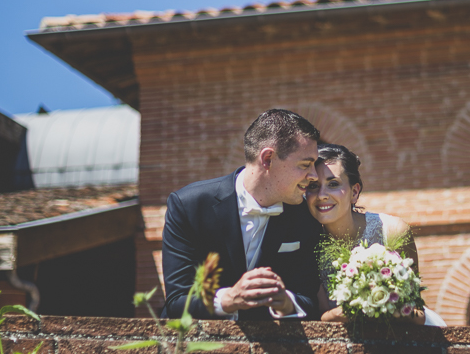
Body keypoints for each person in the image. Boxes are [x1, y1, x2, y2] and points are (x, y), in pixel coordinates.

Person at [161, 109, 324, 322]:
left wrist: (287, 303)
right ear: (268, 159)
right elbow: (177, 300)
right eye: (305, 165)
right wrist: (227, 300)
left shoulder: (306, 217)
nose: (313, 176)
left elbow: (309, 299)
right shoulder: (189, 206)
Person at [304, 143, 446, 327]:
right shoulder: (307, 243)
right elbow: (323, 317)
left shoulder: (392, 231)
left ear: (354, 192)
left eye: (333, 184)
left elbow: (416, 310)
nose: (322, 195)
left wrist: (380, 303)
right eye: (313, 186)